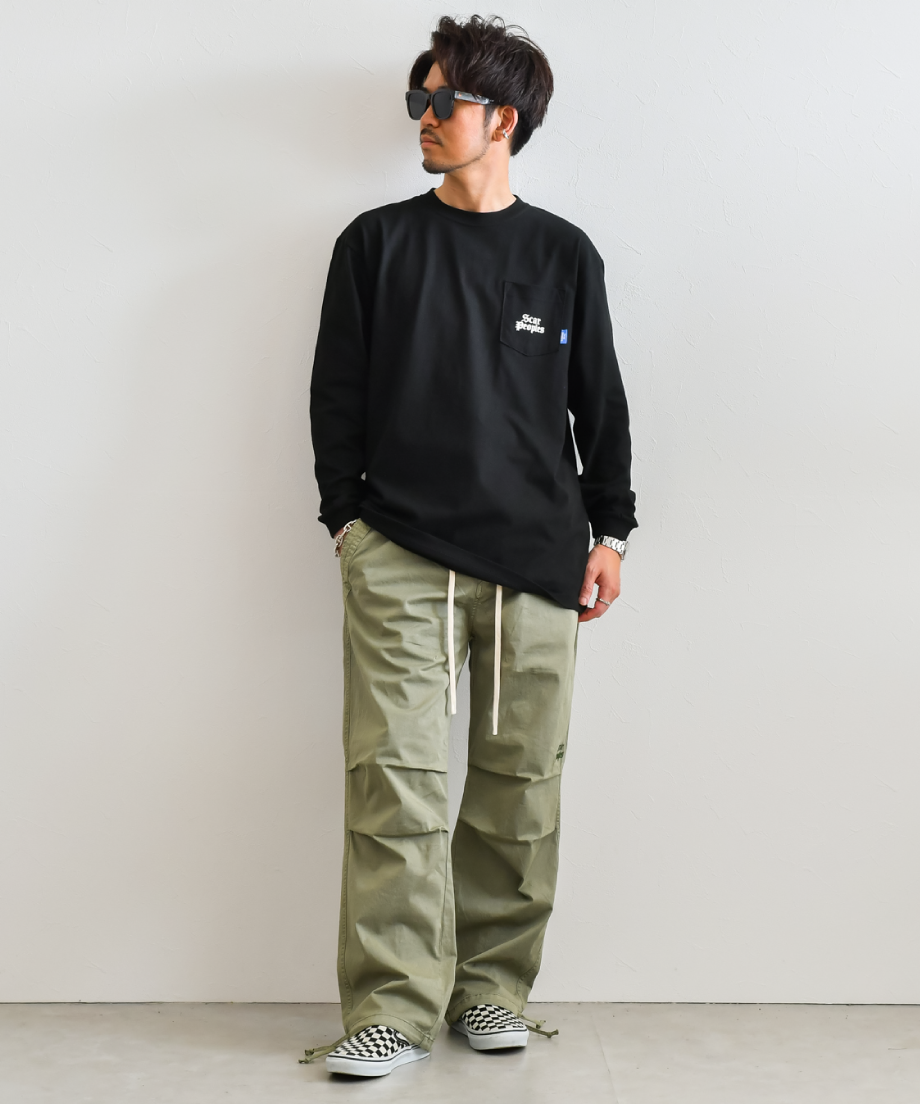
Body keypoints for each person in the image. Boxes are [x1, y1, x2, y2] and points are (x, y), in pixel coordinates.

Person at [305, 14, 637, 1079]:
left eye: (442, 99)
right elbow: (335, 396)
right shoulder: (374, 245)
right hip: (399, 551)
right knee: (393, 785)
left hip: (539, 560)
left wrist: (611, 530)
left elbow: (598, 405)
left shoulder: (562, 255)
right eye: (419, 98)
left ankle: (490, 990)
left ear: (505, 119)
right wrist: (347, 522)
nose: (423, 116)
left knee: (518, 786)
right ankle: (393, 1009)